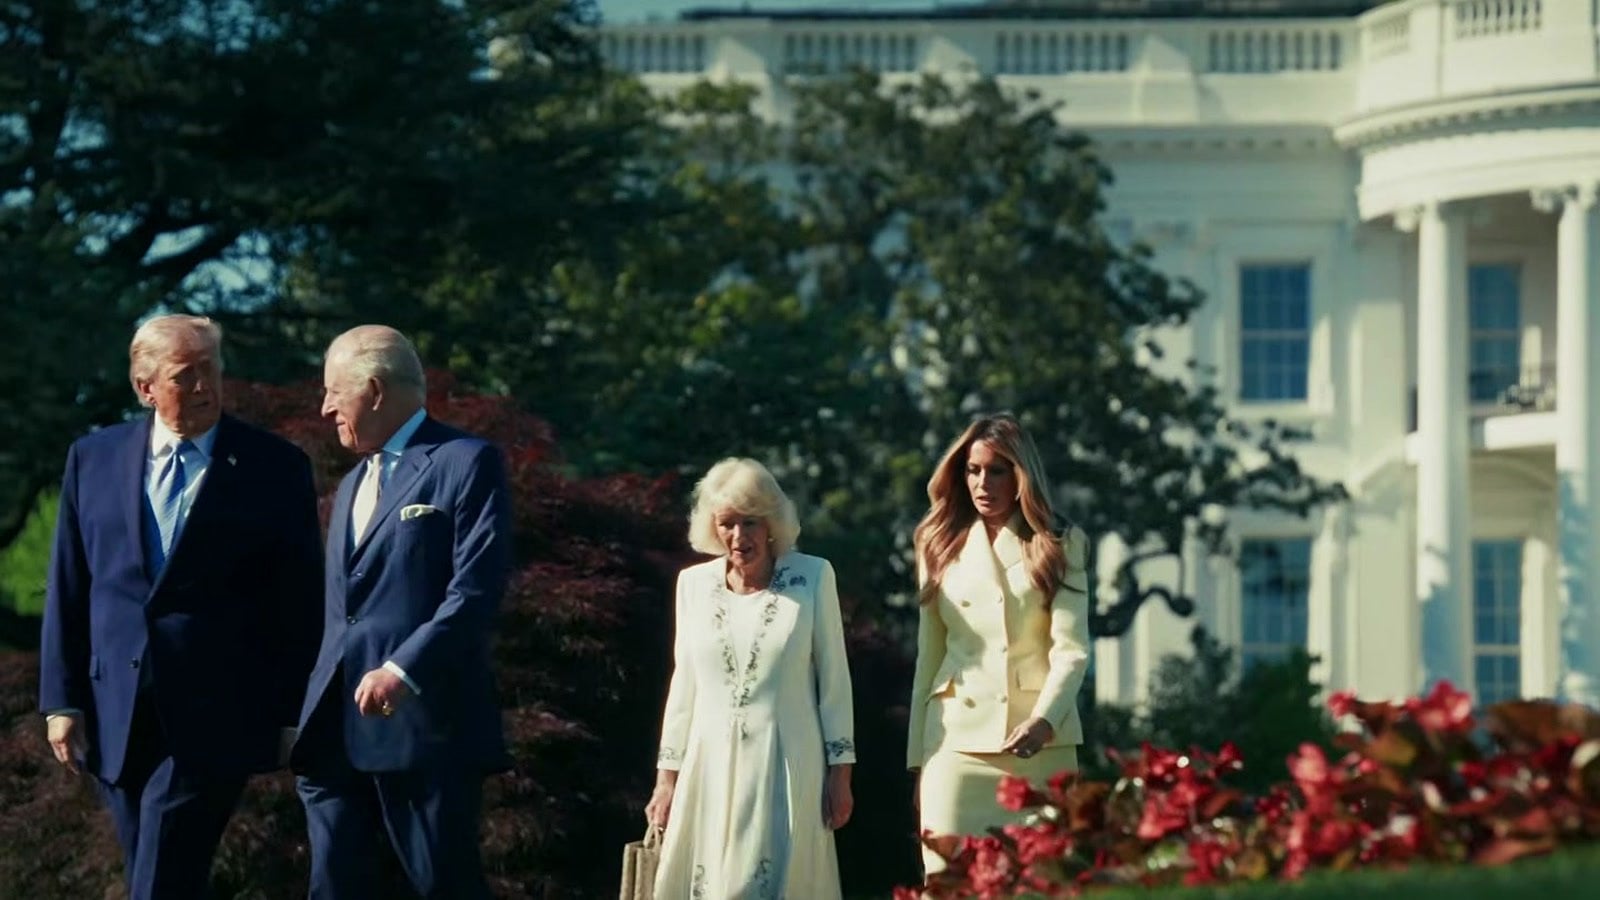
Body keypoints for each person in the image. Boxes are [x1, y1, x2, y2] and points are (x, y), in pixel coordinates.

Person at [38, 314, 323, 899]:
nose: (204, 387)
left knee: (163, 868)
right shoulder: (91, 459)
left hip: (219, 711)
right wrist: (60, 700)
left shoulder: (274, 466)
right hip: (115, 711)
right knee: (165, 871)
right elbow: (70, 584)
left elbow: (298, 601)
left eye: (211, 370)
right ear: (145, 388)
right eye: (184, 375)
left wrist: (293, 711)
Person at [289, 325, 512, 900]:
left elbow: (476, 590)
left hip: (424, 727)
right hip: (334, 734)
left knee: (446, 886)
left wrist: (404, 669)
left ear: (374, 389)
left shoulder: (466, 463)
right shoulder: (351, 486)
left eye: (335, 391)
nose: (325, 407)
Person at [645, 458, 856, 899]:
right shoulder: (693, 585)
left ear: (772, 524)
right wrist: (666, 780)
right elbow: (684, 687)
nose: (739, 537)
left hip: (787, 765)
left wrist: (841, 774)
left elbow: (835, 682)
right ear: (712, 527)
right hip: (708, 766)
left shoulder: (814, 577)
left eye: (751, 522)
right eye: (727, 524)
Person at [905, 413, 1091, 875]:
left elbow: (1071, 649)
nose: (982, 482)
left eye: (997, 470)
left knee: (1040, 883)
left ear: (1020, 475)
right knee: (944, 881)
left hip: (1039, 748)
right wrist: (918, 761)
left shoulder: (1060, 543)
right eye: (972, 470)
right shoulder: (936, 541)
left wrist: (1045, 720)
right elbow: (929, 656)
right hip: (954, 745)